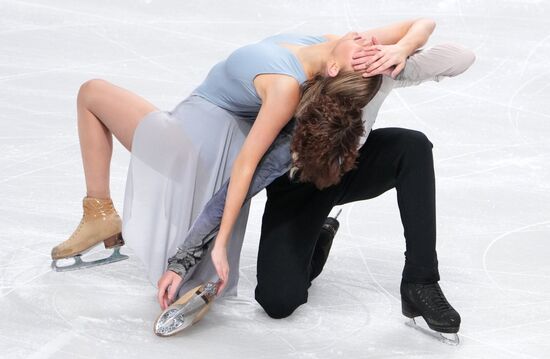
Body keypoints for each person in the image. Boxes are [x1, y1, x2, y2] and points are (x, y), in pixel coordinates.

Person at [156, 24, 475, 342]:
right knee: (278, 302)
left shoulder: (379, 70)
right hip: (300, 190)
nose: (367, 43)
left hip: (352, 168)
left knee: (413, 146)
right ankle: (319, 238)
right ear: (331, 72)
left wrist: (402, 51)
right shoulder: (290, 127)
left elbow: (462, 56)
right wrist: (184, 259)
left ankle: (421, 281)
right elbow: (236, 187)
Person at [51, 20, 434, 282]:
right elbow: (423, 23)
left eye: (368, 55)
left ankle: (98, 212)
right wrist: (399, 49)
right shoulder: (327, 43)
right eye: (370, 48)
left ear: (334, 70)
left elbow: (248, 164)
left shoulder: (287, 86)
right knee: (94, 93)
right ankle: (99, 215)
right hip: (197, 129)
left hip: (192, 143)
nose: (370, 44)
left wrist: (219, 246)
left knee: (92, 92)